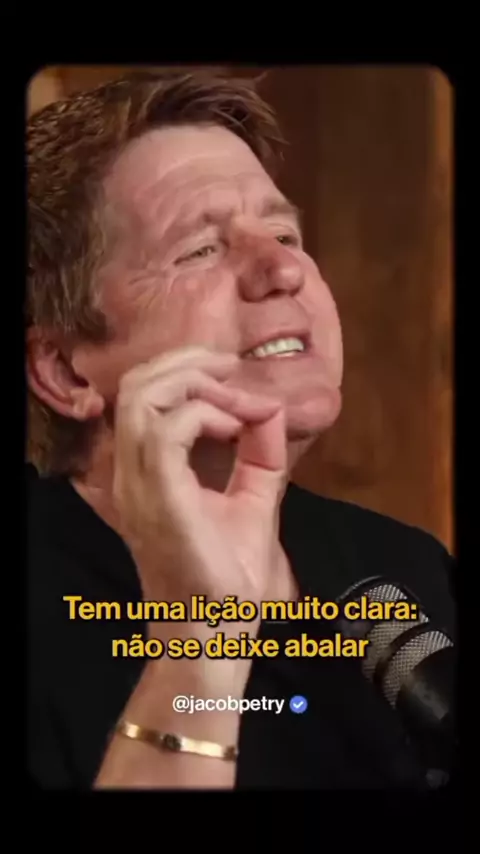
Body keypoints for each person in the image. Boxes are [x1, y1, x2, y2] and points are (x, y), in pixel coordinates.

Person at [26, 69, 456, 790]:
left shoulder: (406, 566)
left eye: (285, 233)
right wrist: (202, 638)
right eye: (200, 249)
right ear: (66, 371)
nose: (284, 268)